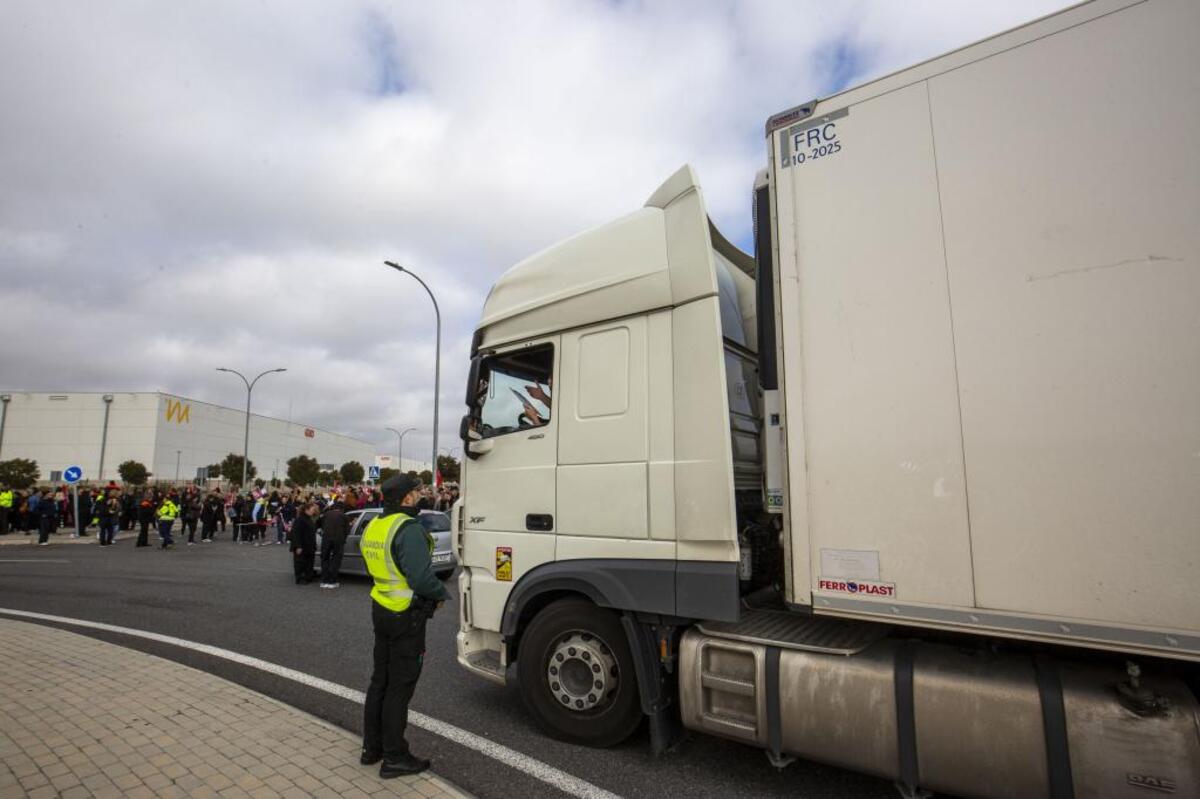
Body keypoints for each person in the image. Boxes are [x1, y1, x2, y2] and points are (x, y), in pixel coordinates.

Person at [360, 474, 448, 777]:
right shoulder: (408, 528)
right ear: (407, 499)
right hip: (405, 614)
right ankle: (395, 756)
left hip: (381, 607)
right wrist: (440, 594)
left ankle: (372, 748)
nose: (421, 495)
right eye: (417, 492)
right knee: (400, 685)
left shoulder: (375, 525)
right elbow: (421, 578)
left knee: (380, 681)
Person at [319, 493, 350, 589]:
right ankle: (332, 581)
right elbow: (347, 530)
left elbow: (320, 525)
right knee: (336, 560)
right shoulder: (344, 516)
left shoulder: (326, 514)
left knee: (325, 559)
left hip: (326, 539)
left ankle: (324, 581)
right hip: (338, 540)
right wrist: (343, 539)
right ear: (342, 509)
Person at [290, 501, 318, 584]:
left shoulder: (309, 518)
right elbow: (296, 533)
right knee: (300, 562)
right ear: (306, 510)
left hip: (309, 545)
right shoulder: (300, 519)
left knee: (309, 562)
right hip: (302, 545)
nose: (314, 511)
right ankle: (300, 578)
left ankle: (308, 576)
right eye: (312, 509)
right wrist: (298, 546)